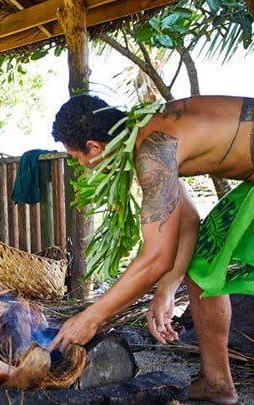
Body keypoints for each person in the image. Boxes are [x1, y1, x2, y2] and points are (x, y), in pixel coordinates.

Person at [48, 94, 254, 405]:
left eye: (77, 157)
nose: (82, 165)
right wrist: (167, 288)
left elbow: (156, 256)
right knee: (202, 265)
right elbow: (187, 220)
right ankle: (217, 384)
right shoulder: (150, 131)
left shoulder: (152, 150)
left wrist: (92, 317)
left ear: (94, 147)